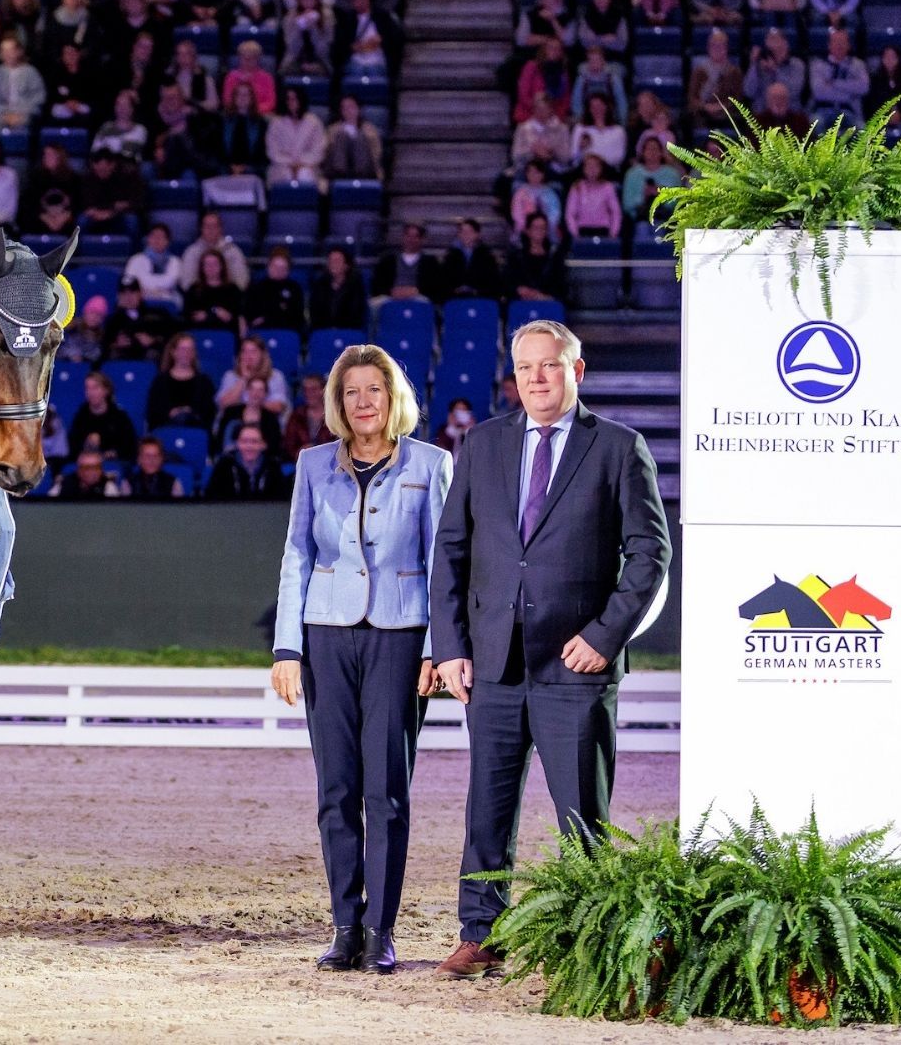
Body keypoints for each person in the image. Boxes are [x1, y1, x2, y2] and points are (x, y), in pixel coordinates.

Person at [429, 319, 671, 980]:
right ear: (513, 376)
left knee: (582, 815)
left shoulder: (618, 447)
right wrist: (450, 646)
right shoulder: (482, 445)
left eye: (550, 365)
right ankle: (482, 934)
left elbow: (650, 554)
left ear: (576, 371)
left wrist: (604, 635)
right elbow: (451, 551)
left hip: (575, 665)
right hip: (494, 664)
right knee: (487, 811)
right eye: (525, 367)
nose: (537, 377)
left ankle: (591, 941)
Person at [271, 343, 449, 974]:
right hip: (326, 635)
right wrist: (287, 647)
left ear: (393, 397)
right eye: (351, 392)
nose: (363, 401)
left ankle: (381, 930)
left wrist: (438, 649)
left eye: (374, 389)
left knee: (387, 790)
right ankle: (345, 926)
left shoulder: (432, 463)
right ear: (338, 403)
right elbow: (297, 554)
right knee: (337, 788)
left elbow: (442, 563)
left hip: (401, 637)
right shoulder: (313, 464)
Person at [206, 424, 289, 499]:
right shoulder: (224, 466)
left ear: (263, 445)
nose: (249, 446)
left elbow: (281, 498)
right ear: (237, 443)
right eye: (244, 441)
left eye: (254, 442)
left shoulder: (273, 466)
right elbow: (212, 498)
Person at [68, 371, 139, 459]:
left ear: (106, 390)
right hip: (87, 462)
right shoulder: (81, 416)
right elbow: (73, 447)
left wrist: (109, 454)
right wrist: (86, 445)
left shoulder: (119, 416)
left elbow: (129, 447)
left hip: (113, 462)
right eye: (87, 388)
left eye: (95, 388)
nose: (91, 393)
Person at [52, 447, 129, 498]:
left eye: (95, 467)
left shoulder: (109, 486)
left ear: (101, 471)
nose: (91, 472)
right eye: (87, 468)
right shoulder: (63, 485)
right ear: (79, 471)